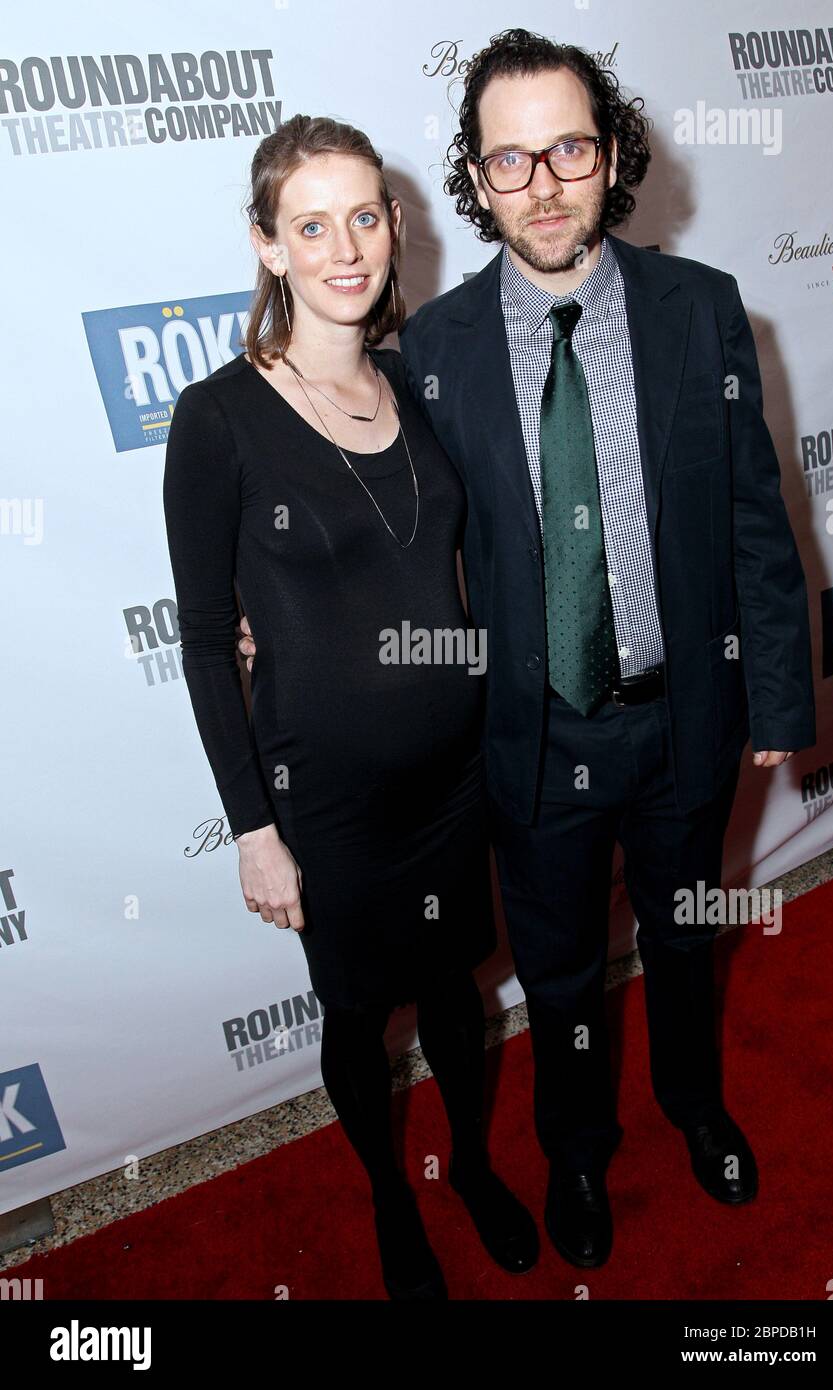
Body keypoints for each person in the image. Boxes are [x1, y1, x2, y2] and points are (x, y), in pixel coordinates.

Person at [240, 29, 817, 1272]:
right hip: (530, 734)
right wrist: (267, 609)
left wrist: (777, 684)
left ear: (608, 154)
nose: (542, 183)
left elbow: (756, 520)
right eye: (509, 160)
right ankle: (572, 1151)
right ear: (475, 178)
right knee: (553, 974)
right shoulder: (430, 354)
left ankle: (696, 1105)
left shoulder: (700, 309)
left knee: (682, 933)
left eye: (566, 148)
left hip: (684, 718)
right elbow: (375, 528)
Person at [162, 113, 538, 1301]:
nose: (344, 247)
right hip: (326, 806)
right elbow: (201, 642)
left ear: (393, 226)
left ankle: (470, 1166)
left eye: (364, 216)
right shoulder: (218, 419)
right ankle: (390, 1200)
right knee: (360, 1015)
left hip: (453, 777)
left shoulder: (414, 379)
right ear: (267, 244)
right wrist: (253, 828)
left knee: (456, 994)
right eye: (310, 224)